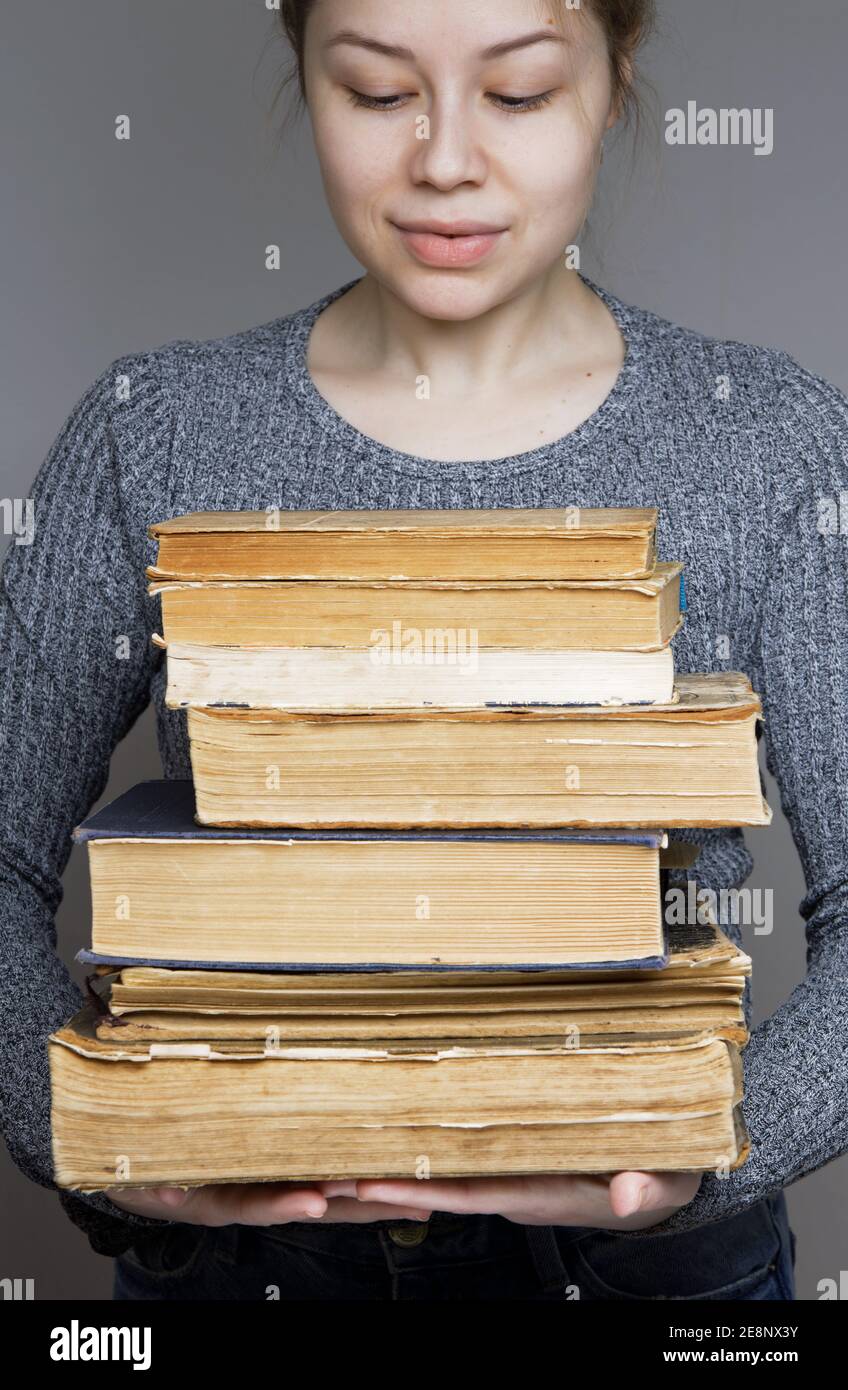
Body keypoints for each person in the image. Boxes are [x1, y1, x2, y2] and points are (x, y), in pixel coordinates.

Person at [2, 0, 845, 1302]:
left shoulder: (768, 440)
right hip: (250, 1268)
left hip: (657, 1282)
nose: (446, 159)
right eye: (380, 90)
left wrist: (702, 1154)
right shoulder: (151, 431)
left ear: (616, 83)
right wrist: (99, 1138)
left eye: (515, 95)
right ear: (302, 72)